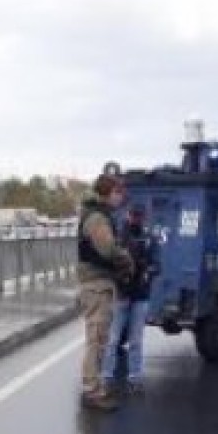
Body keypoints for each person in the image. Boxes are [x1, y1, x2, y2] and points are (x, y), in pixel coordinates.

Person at [77, 174, 133, 411]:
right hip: (96, 284)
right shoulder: (98, 218)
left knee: (98, 338)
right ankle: (92, 390)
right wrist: (127, 258)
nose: (121, 197)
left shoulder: (96, 214)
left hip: (98, 283)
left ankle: (95, 385)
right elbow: (108, 249)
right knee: (97, 338)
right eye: (118, 193)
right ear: (108, 193)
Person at [102, 206, 158, 395]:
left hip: (140, 295)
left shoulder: (149, 238)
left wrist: (148, 272)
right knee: (113, 339)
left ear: (144, 217)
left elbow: (157, 264)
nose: (136, 219)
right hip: (122, 294)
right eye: (134, 215)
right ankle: (107, 377)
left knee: (136, 340)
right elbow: (109, 263)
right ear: (128, 215)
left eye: (139, 216)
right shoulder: (119, 238)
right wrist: (120, 277)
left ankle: (135, 378)